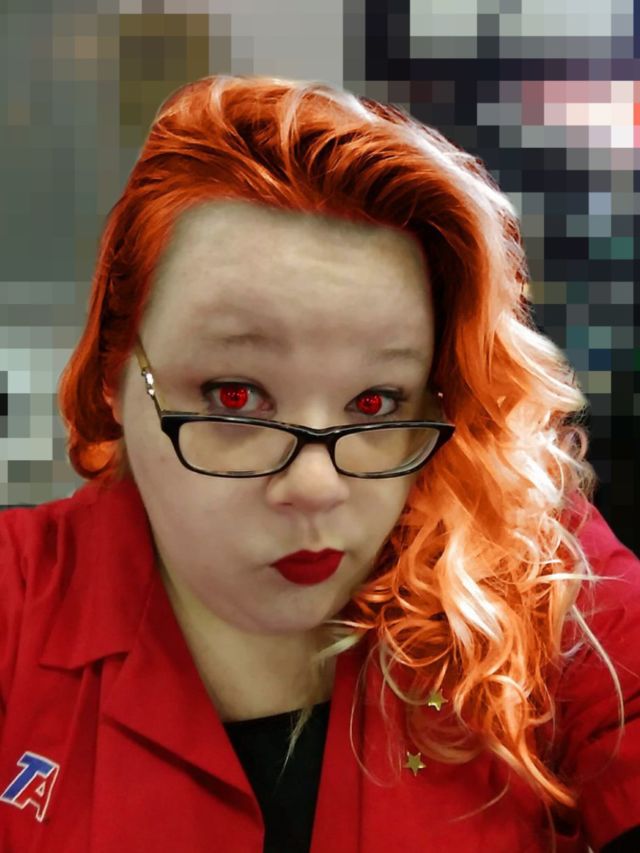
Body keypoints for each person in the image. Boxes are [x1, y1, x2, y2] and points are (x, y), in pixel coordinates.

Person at [0, 74, 638, 853]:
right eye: (235, 396)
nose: (314, 485)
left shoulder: (531, 562)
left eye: (375, 402)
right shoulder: (17, 604)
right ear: (114, 371)